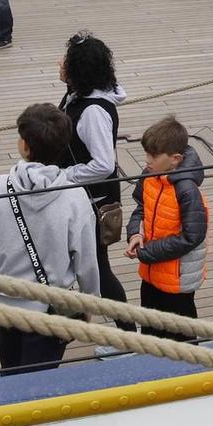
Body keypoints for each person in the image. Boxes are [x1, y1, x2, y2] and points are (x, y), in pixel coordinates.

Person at [0, 103, 100, 373]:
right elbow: (86, 260)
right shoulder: (75, 197)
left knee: (10, 371)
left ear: (25, 146)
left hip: (5, 304)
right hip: (48, 310)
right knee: (41, 385)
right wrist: (90, 301)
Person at [59, 32, 132, 344]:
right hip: (81, 198)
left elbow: (104, 164)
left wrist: (65, 176)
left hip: (93, 203)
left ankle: (128, 332)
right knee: (80, 262)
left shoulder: (92, 112)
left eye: (66, 61)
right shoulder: (78, 96)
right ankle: (82, 314)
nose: (60, 64)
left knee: (99, 268)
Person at [125, 114, 209, 333]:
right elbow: (141, 208)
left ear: (175, 159)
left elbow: (193, 237)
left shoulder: (187, 191)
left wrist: (148, 251)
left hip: (177, 281)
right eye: (146, 153)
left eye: (153, 155)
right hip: (151, 274)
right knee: (151, 330)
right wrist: (135, 234)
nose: (147, 160)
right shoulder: (149, 176)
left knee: (181, 335)